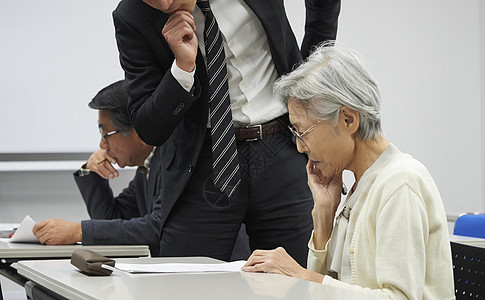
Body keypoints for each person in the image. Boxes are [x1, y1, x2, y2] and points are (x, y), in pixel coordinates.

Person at [112, 0, 341, 264]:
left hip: (280, 147)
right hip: (202, 163)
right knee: (182, 285)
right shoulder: (132, 16)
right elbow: (149, 129)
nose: (163, 3)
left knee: (299, 278)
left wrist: (310, 78)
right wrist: (182, 70)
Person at [241, 43, 455, 299]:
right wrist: (323, 217)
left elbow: (400, 297)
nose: (299, 147)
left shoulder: (401, 182)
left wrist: (305, 276)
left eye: (303, 132)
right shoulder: (360, 185)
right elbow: (322, 292)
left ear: (348, 120)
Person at [32, 80, 163, 256]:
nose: (102, 145)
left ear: (138, 129)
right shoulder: (146, 168)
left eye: (105, 135)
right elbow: (112, 218)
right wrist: (91, 171)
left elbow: (158, 227)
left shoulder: (172, 164)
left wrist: (79, 231)